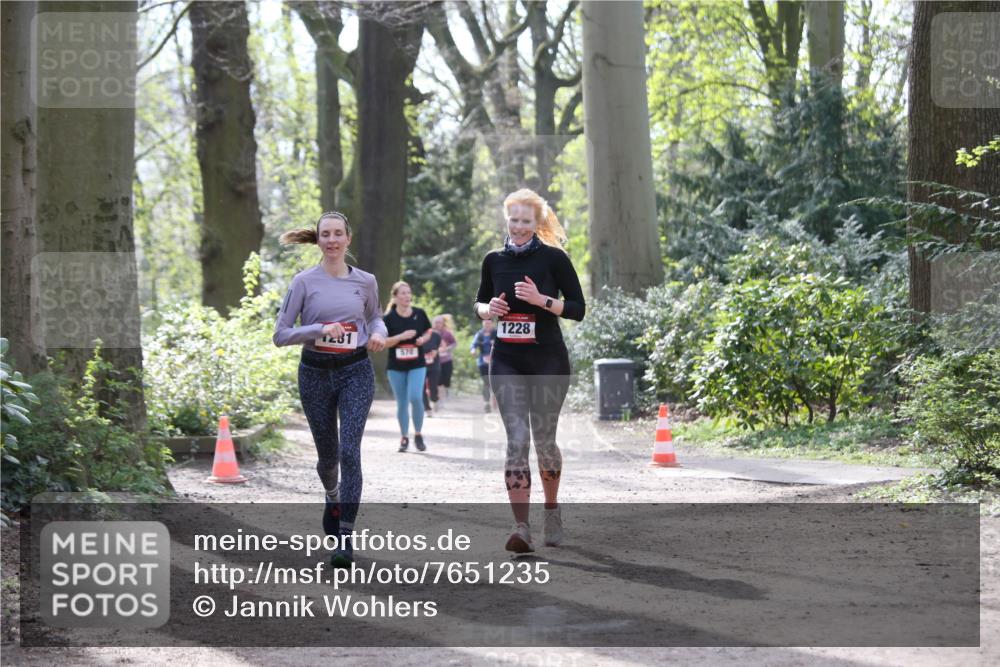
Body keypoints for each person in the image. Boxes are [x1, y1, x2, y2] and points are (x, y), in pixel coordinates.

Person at [474, 188, 585, 553]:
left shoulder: (554, 259)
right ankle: (521, 526)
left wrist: (542, 301)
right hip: (506, 359)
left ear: (537, 223)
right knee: (517, 439)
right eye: (514, 219)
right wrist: (487, 309)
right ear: (506, 218)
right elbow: (479, 302)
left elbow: (578, 309)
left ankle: (551, 511)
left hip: (548, 361)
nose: (519, 227)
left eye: (526, 221)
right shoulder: (493, 260)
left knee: (544, 439)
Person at [273, 211, 388, 567]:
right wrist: (318, 330)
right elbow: (280, 334)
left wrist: (380, 333)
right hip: (315, 373)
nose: (333, 240)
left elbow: (374, 317)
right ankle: (332, 494)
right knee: (328, 458)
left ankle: (344, 537)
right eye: (326, 234)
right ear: (319, 240)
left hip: (356, 371)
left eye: (339, 233)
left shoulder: (365, 281)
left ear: (348, 239)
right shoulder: (304, 282)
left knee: (350, 451)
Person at [382, 281, 433, 452]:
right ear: (395, 297)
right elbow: (383, 343)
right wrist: (401, 336)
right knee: (402, 403)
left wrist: (423, 340)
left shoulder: (419, 313)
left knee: (415, 397)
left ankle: (418, 434)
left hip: (417, 363)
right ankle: (404, 437)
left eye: (408, 292)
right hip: (396, 366)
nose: (406, 296)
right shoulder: (388, 318)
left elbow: (428, 331)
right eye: (402, 293)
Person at [470, 319, 497, 413]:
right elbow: (473, 345)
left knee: (495, 382)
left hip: (496, 361)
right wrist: (473, 350)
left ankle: (495, 398)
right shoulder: (479, 334)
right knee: (486, 382)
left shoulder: (497, 333)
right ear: (483, 324)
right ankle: (486, 403)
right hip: (483, 362)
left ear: (492, 324)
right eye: (485, 324)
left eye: (489, 323)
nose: (487, 325)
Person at [433, 314, 458, 404]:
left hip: (446, 360)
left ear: (443, 323)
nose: (437, 324)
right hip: (435, 361)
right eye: (436, 322)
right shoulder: (430, 333)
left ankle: (446, 392)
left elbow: (454, 343)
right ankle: (440, 399)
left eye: (439, 322)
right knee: (438, 381)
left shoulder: (447, 333)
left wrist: (447, 349)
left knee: (446, 379)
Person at [422, 323, 443, 415]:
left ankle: (435, 399)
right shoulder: (415, 335)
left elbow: (439, 347)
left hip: (434, 366)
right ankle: (427, 409)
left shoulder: (435, 335)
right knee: (421, 388)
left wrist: (435, 351)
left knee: (432, 388)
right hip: (420, 366)